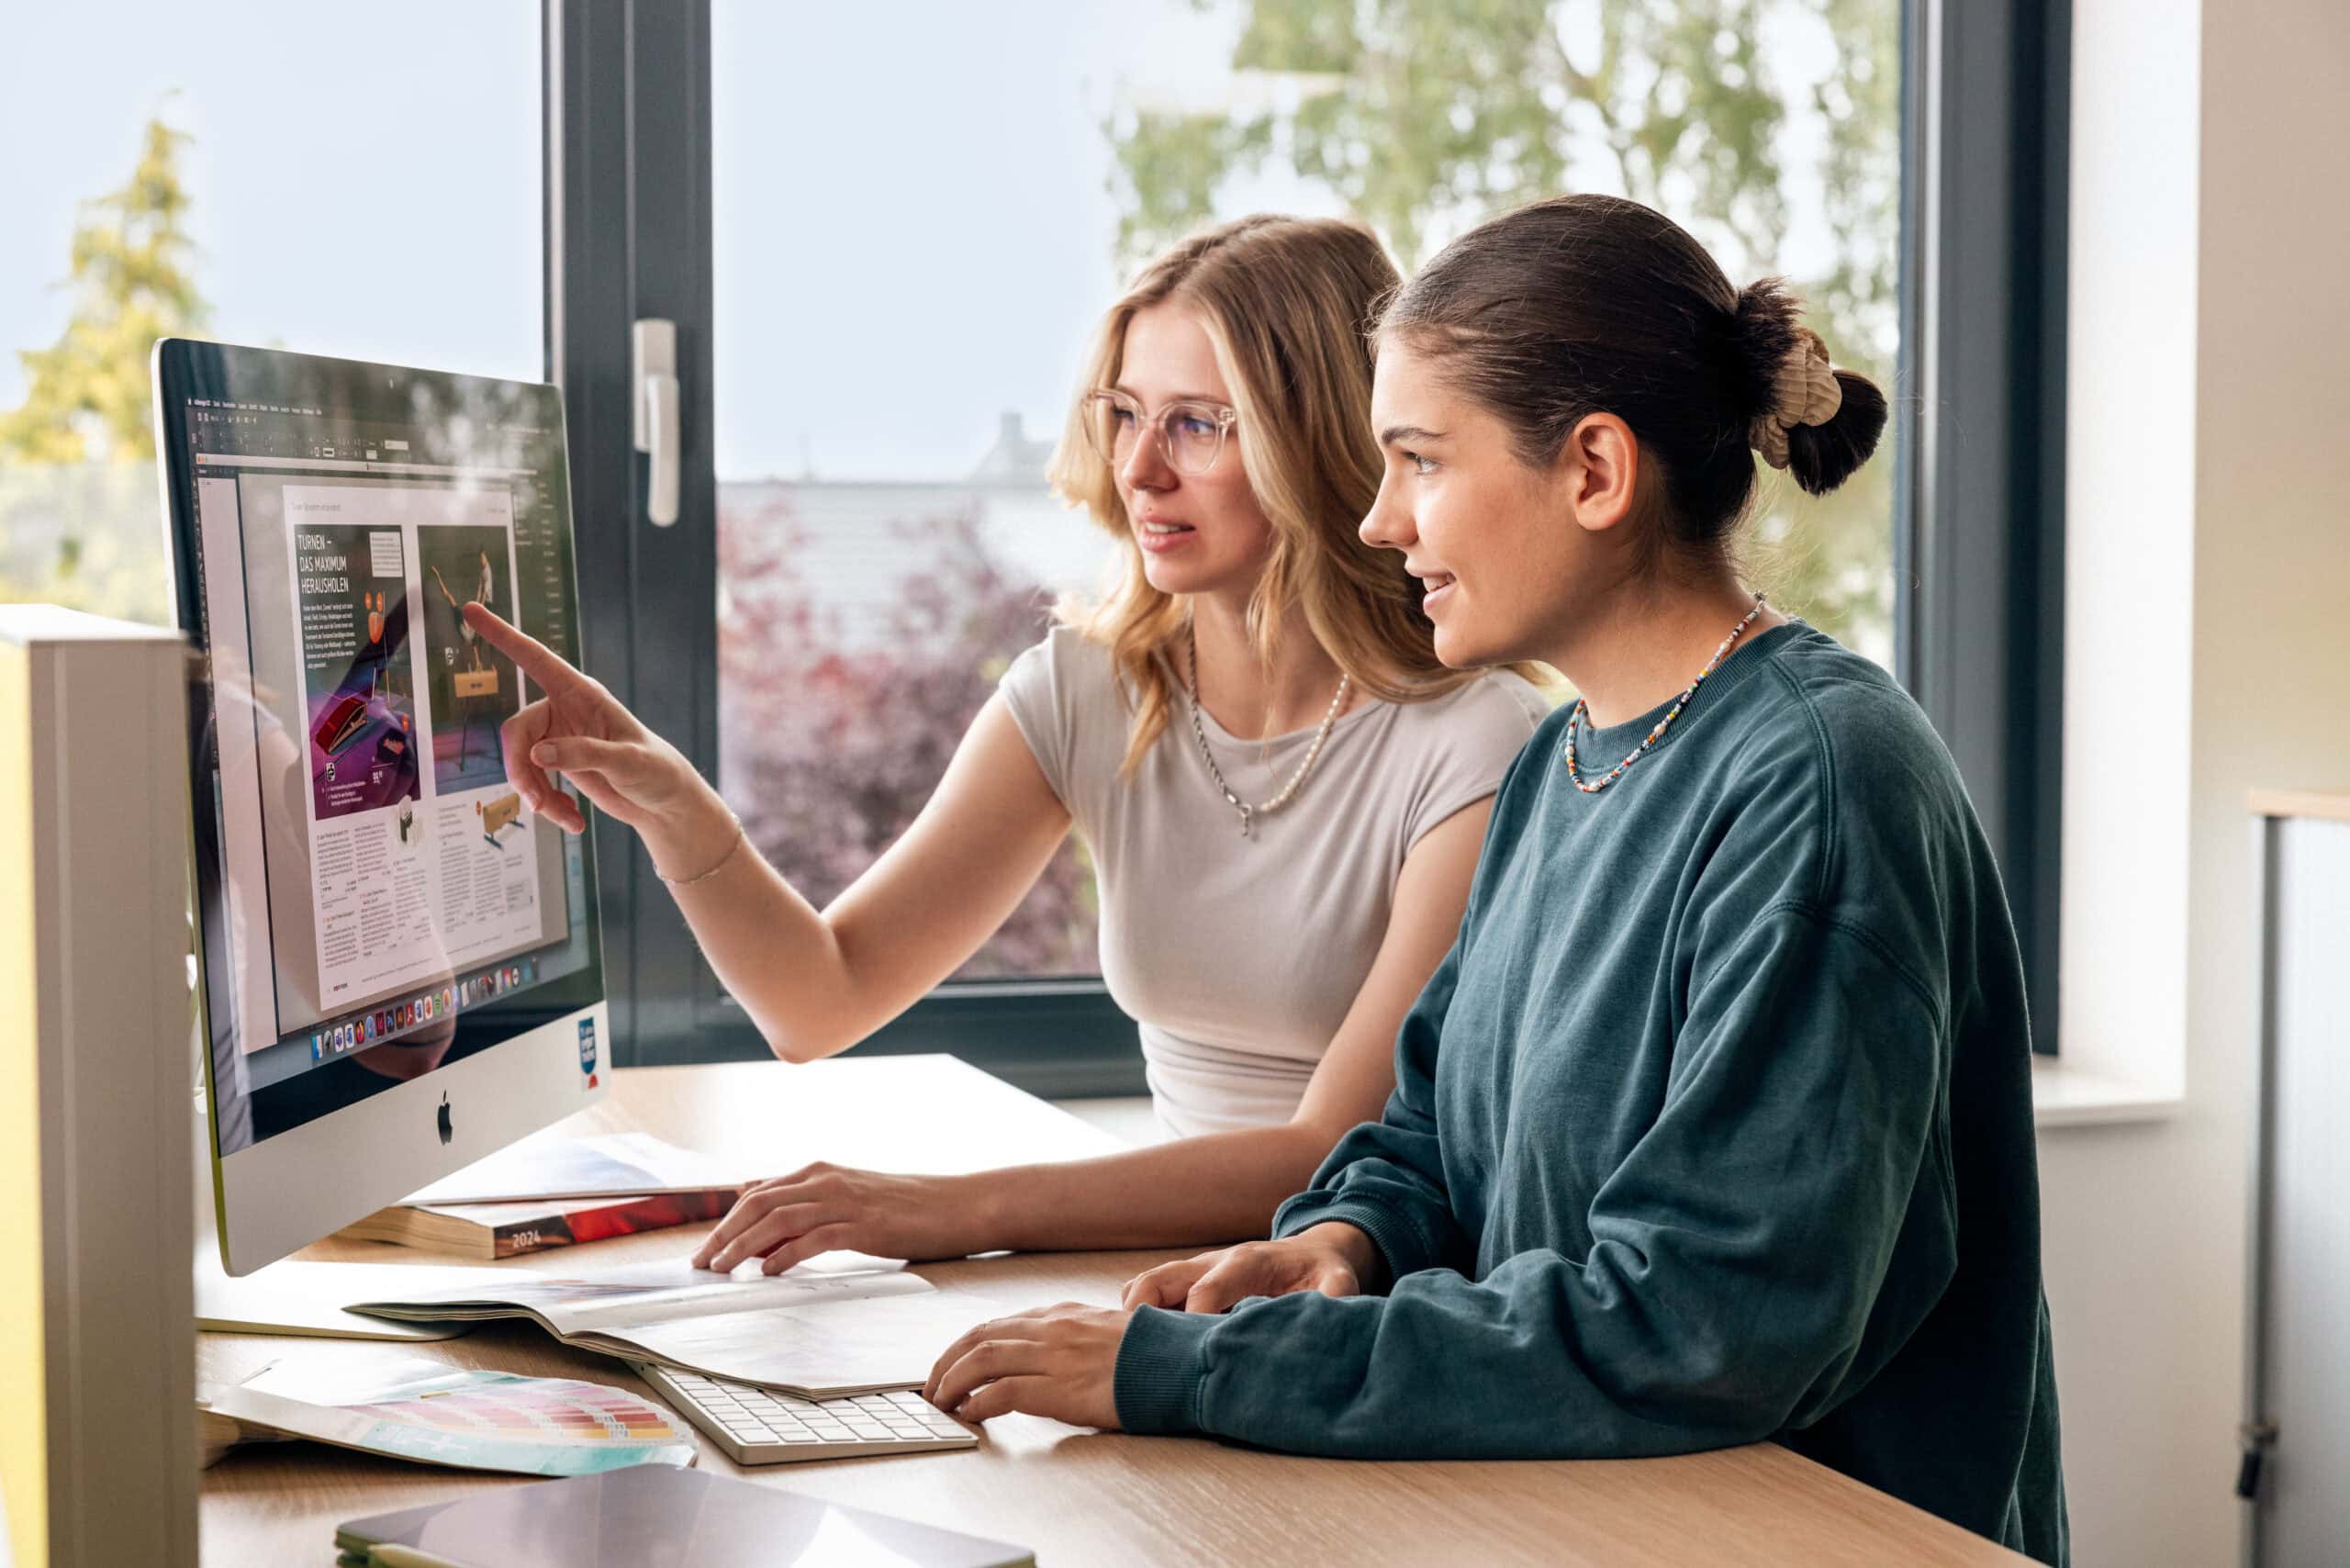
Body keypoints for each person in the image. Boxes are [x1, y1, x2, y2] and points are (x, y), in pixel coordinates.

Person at [921, 193, 2068, 1566]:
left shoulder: (1817, 785)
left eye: (1416, 459)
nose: (1377, 520)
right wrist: (1344, 1239)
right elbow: (1429, 1135)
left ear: (1594, 470)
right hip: (1588, 1518)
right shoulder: (1568, 758)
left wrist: (1200, 1372)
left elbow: (1697, 1328)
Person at [462, 214, 1548, 1271]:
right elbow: (817, 1000)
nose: (1139, 468)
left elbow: (1329, 1156)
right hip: (1164, 1281)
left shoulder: (1475, 739)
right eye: (1124, 413)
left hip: (1364, 1297)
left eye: (1199, 423)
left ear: (1319, 445)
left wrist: (939, 1207)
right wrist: (675, 809)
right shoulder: (1089, 689)